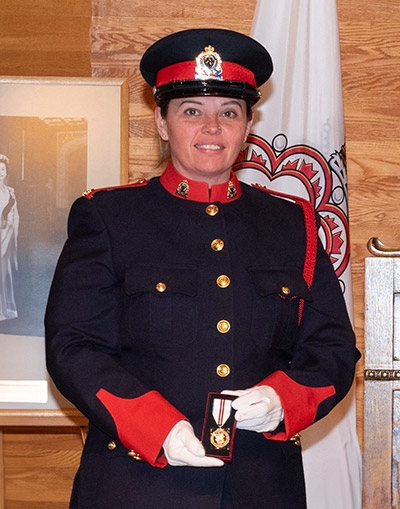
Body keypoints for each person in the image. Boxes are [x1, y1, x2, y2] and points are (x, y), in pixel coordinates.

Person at [45, 28, 360, 508]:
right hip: (137, 484)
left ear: (248, 126)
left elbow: (333, 348)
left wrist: (283, 399)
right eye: (192, 111)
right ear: (162, 122)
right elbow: (73, 347)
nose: (212, 128)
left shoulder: (292, 223)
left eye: (228, 113)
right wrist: (159, 429)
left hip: (261, 488)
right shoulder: (109, 218)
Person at [0, 153, 19, 321]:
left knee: (4, 274)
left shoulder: (10, 193)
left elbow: (14, 215)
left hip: (6, 236)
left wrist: (11, 229)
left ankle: (5, 309)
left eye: (3, 169)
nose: (0, 172)